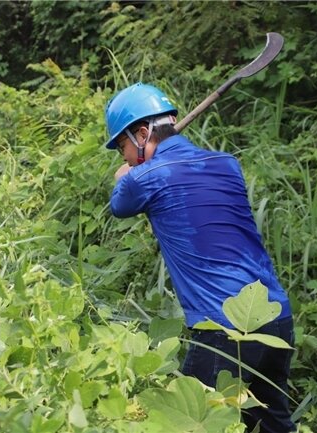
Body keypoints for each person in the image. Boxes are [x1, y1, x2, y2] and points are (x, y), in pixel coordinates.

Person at [103, 82, 295, 433]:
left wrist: (123, 175)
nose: (124, 158)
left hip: (225, 325)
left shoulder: (141, 178)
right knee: (272, 425)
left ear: (142, 134)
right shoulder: (227, 163)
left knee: (187, 423)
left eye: (122, 148)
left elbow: (120, 205)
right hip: (275, 316)